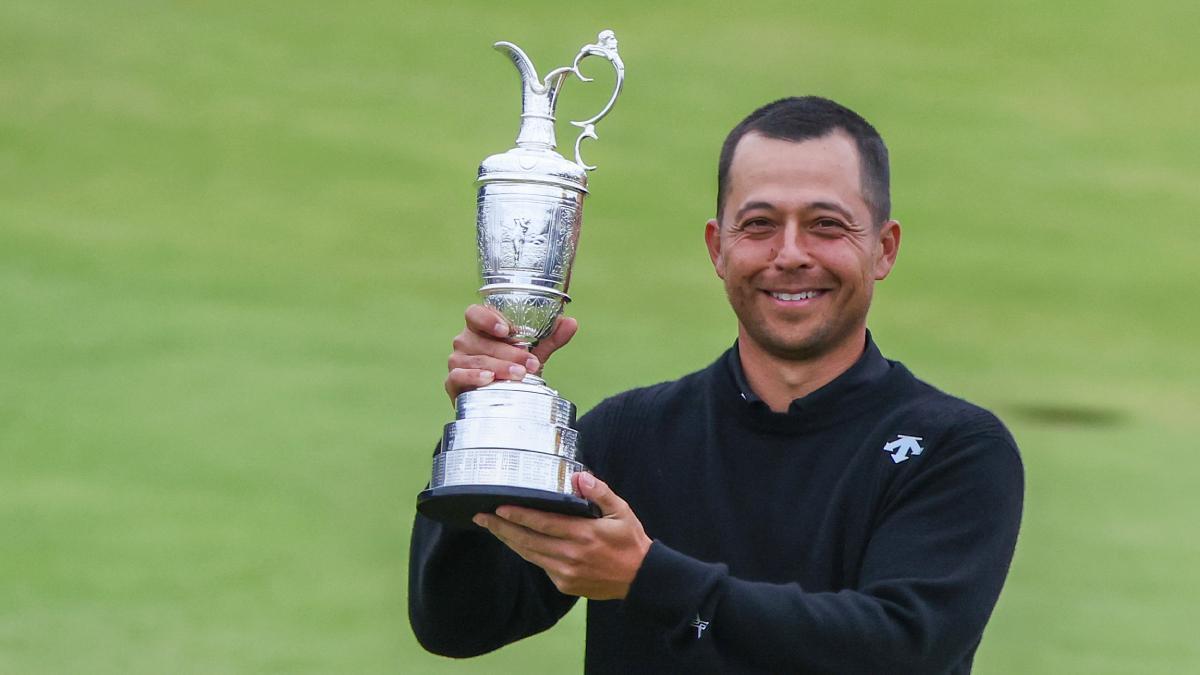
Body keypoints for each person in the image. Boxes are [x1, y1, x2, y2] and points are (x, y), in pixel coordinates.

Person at [409, 96, 1024, 674]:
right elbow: (458, 622)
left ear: (883, 249)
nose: (790, 254)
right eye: (758, 224)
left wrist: (649, 579)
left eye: (826, 225)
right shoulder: (630, 433)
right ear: (718, 248)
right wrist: (483, 421)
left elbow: (902, 648)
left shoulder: (954, 448)